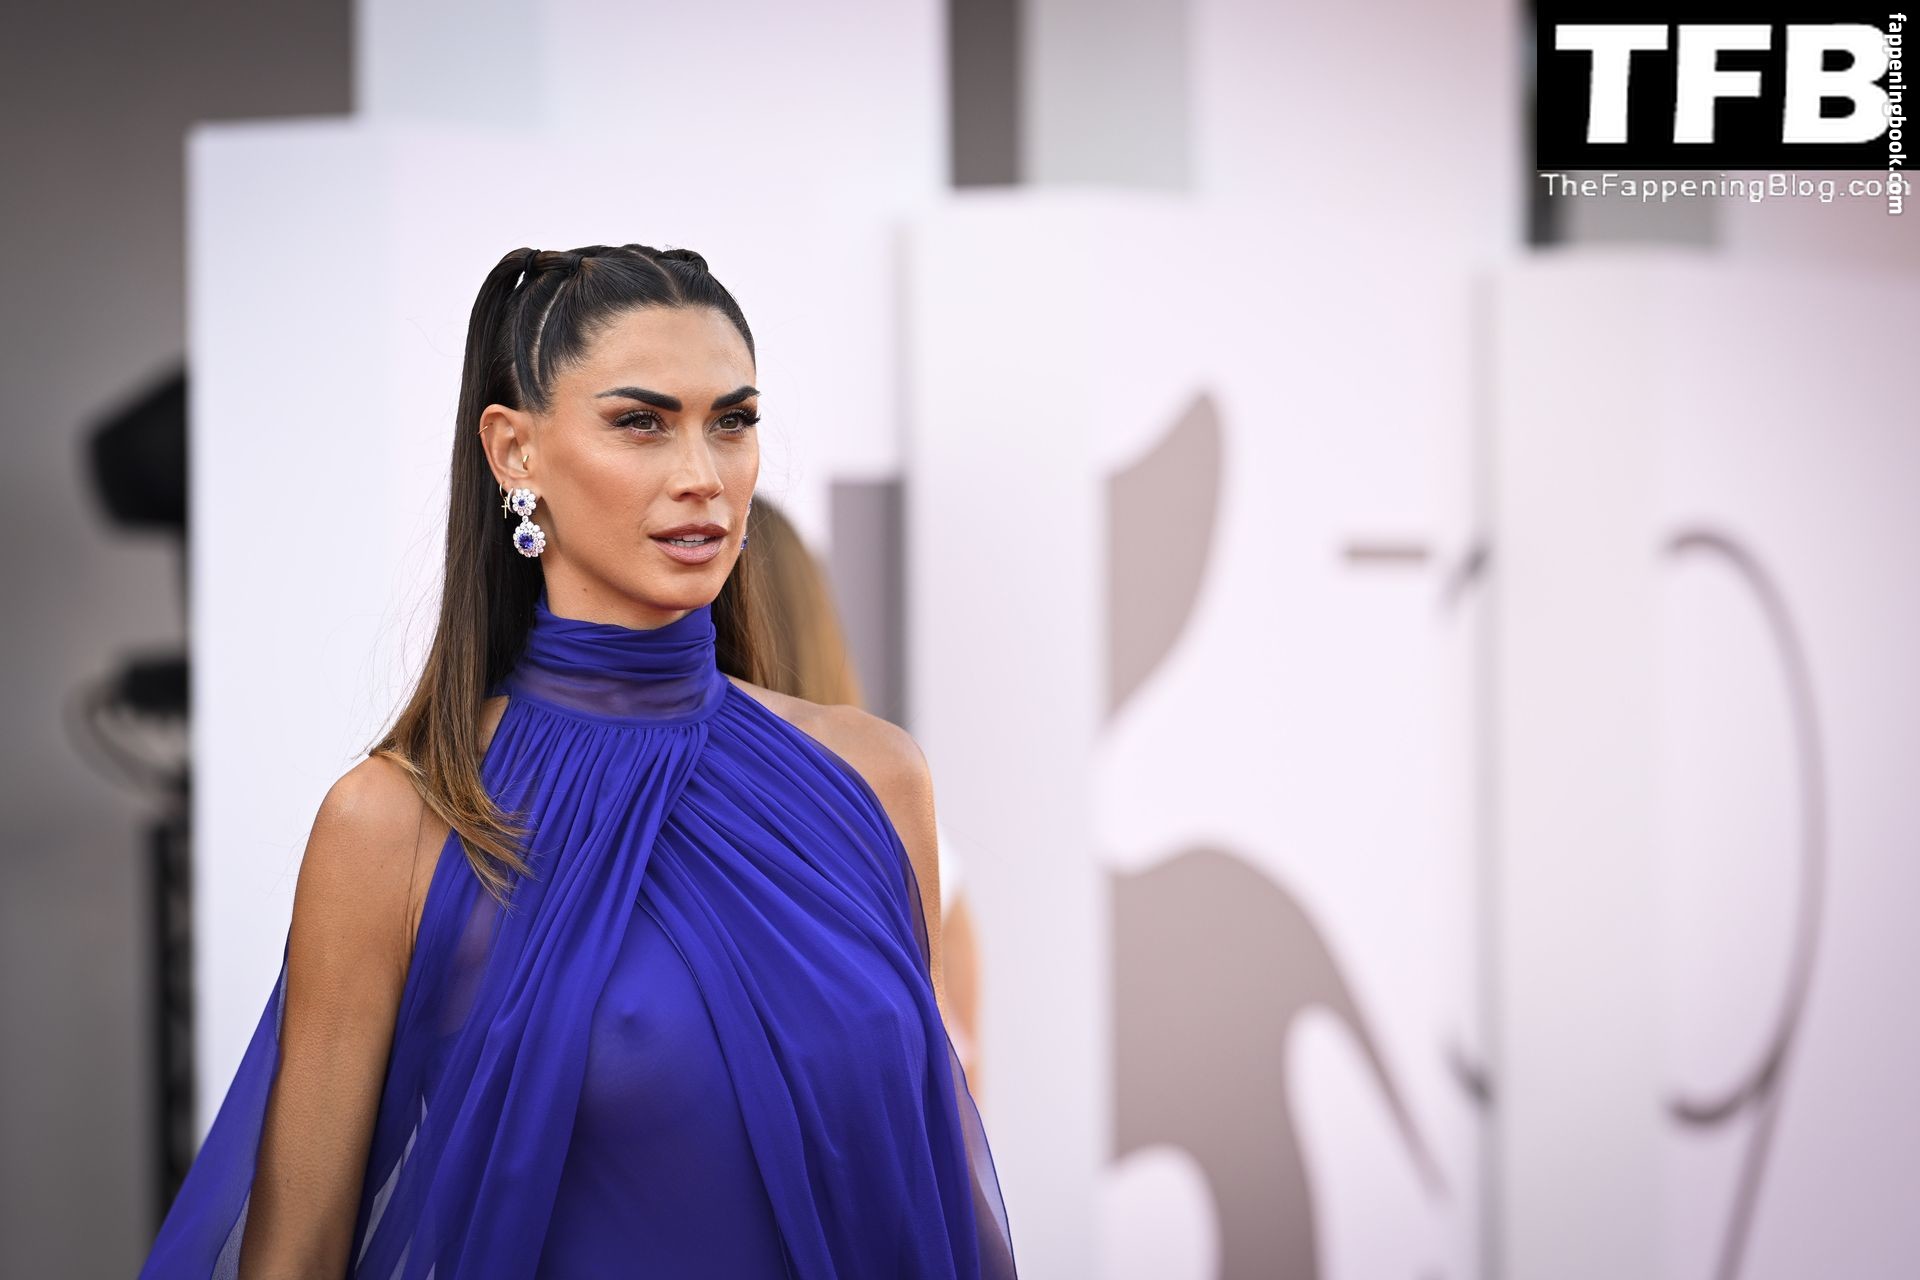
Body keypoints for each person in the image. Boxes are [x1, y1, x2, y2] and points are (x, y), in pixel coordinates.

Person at [136, 243, 1018, 1279]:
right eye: (642, 422)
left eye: (732, 421)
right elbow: (295, 1256)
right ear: (514, 451)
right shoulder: (398, 822)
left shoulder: (872, 777)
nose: (703, 476)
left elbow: (935, 1191)